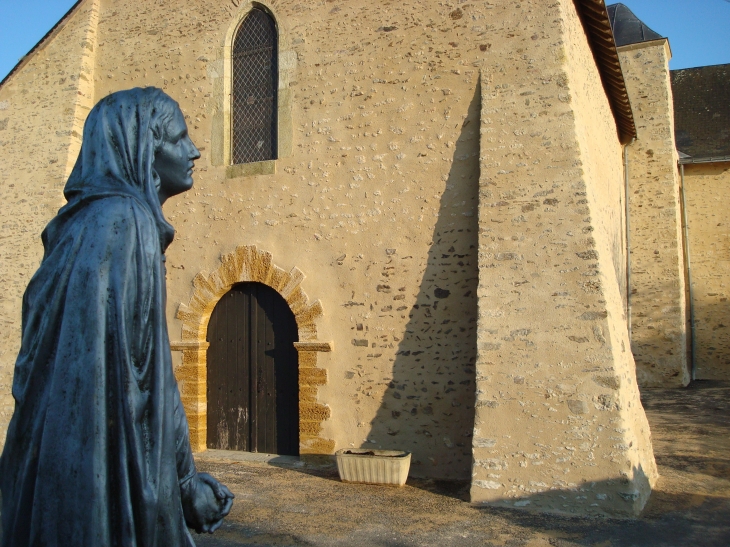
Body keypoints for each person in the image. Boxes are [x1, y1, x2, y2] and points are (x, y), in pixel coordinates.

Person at [0, 88, 233, 546]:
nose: (194, 151)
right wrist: (183, 485)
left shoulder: (84, 224)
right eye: (179, 138)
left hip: (50, 476)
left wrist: (185, 481)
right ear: (145, 149)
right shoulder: (128, 223)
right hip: (104, 489)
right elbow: (147, 380)